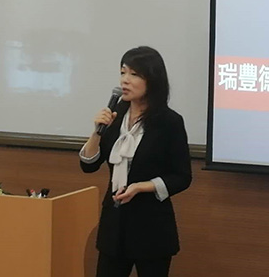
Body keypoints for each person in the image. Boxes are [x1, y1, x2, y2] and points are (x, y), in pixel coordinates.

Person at [79, 46, 192, 277]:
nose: (125, 80)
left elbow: (182, 177)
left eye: (134, 74)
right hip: (114, 225)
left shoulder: (169, 122)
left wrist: (142, 187)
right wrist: (97, 132)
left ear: (153, 80)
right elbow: (88, 165)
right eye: (123, 73)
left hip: (151, 227)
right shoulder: (115, 115)